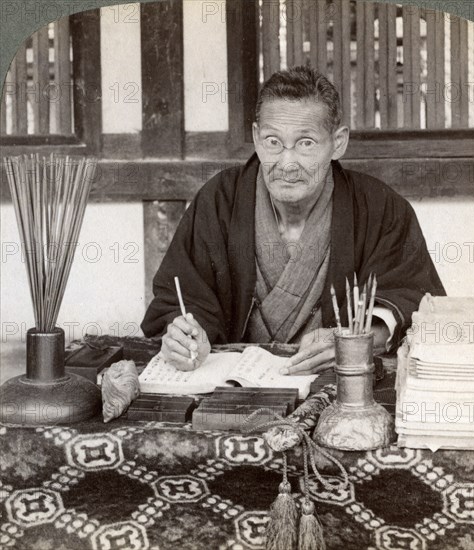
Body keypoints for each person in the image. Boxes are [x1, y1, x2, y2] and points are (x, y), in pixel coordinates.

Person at [141, 66, 445, 374]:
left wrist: (357, 340)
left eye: (306, 143)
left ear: (338, 142)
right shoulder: (220, 201)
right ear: (256, 138)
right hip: (235, 390)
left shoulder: (379, 208)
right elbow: (179, 298)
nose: (287, 163)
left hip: (335, 388)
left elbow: (416, 301)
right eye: (273, 142)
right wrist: (186, 336)